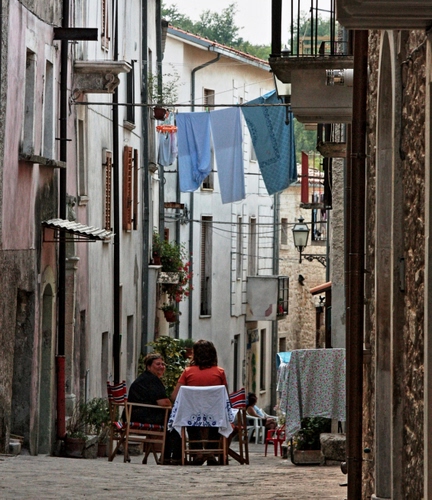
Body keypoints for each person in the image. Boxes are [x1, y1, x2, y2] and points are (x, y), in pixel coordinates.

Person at [171, 339, 228, 466]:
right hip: (214, 414)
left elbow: (174, 396)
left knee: (190, 417)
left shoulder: (188, 372)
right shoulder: (219, 372)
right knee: (216, 416)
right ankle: (211, 452)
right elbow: (225, 398)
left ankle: (197, 452)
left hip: (193, 414)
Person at [127, 352, 182, 465]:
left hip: (135, 413)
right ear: (148, 366)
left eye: (163, 364)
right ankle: (173, 456)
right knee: (175, 420)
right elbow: (164, 403)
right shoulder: (151, 380)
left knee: (172, 418)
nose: (161, 366)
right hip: (141, 415)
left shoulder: (147, 378)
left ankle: (168, 456)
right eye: (158, 364)